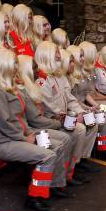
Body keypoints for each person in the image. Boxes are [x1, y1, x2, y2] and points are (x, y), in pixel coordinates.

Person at [0, 48, 64, 211]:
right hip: (1, 142)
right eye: (14, 64)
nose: (17, 67)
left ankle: (50, 187)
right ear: (4, 66)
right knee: (48, 156)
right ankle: (34, 197)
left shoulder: (10, 87)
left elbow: (19, 118)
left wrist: (29, 133)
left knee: (58, 145)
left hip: (16, 137)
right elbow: (3, 123)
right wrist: (25, 138)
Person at [34, 41, 93, 185]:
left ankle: (70, 171)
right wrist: (71, 118)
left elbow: (71, 99)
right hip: (51, 120)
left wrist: (80, 113)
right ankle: (64, 174)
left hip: (63, 116)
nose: (60, 56)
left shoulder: (59, 76)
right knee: (78, 129)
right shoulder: (42, 80)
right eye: (56, 53)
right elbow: (52, 108)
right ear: (47, 56)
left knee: (84, 124)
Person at [16, 54, 75, 198]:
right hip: (31, 129)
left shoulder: (30, 87)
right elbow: (36, 120)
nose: (38, 70)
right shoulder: (24, 90)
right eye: (34, 67)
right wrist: (57, 123)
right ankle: (53, 184)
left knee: (65, 139)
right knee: (63, 140)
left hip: (33, 127)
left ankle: (58, 181)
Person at [67, 45, 106, 162]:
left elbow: (86, 94)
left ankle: (105, 147)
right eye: (80, 56)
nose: (82, 58)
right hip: (75, 110)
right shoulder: (70, 77)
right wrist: (87, 108)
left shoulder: (83, 73)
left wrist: (94, 106)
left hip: (82, 106)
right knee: (99, 118)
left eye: (83, 56)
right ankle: (82, 158)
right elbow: (74, 100)